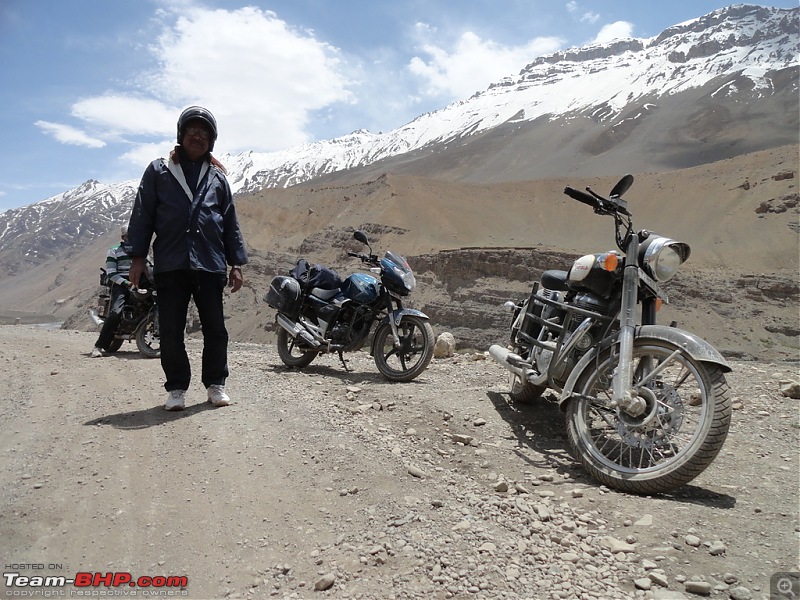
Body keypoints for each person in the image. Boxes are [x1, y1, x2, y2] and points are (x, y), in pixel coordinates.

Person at [127, 106, 248, 411]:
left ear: (212, 141)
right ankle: (177, 387)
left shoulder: (218, 179)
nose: (198, 136)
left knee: (215, 329)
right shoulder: (159, 171)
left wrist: (236, 264)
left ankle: (216, 384)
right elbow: (143, 214)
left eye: (204, 133)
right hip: (171, 263)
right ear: (181, 135)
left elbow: (229, 223)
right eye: (192, 131)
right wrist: (138, 258)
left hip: (209, 263)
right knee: (170, 330)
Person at [90, 225, 134, 357]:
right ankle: (99, 346)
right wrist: (126, 283)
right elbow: (111, 273)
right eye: (129, 236)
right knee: (116, 312)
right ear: (123, 237)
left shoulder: (140, 250)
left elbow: (148, 266)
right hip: (120, 283)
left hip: (139, 281)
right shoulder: (114, 251)